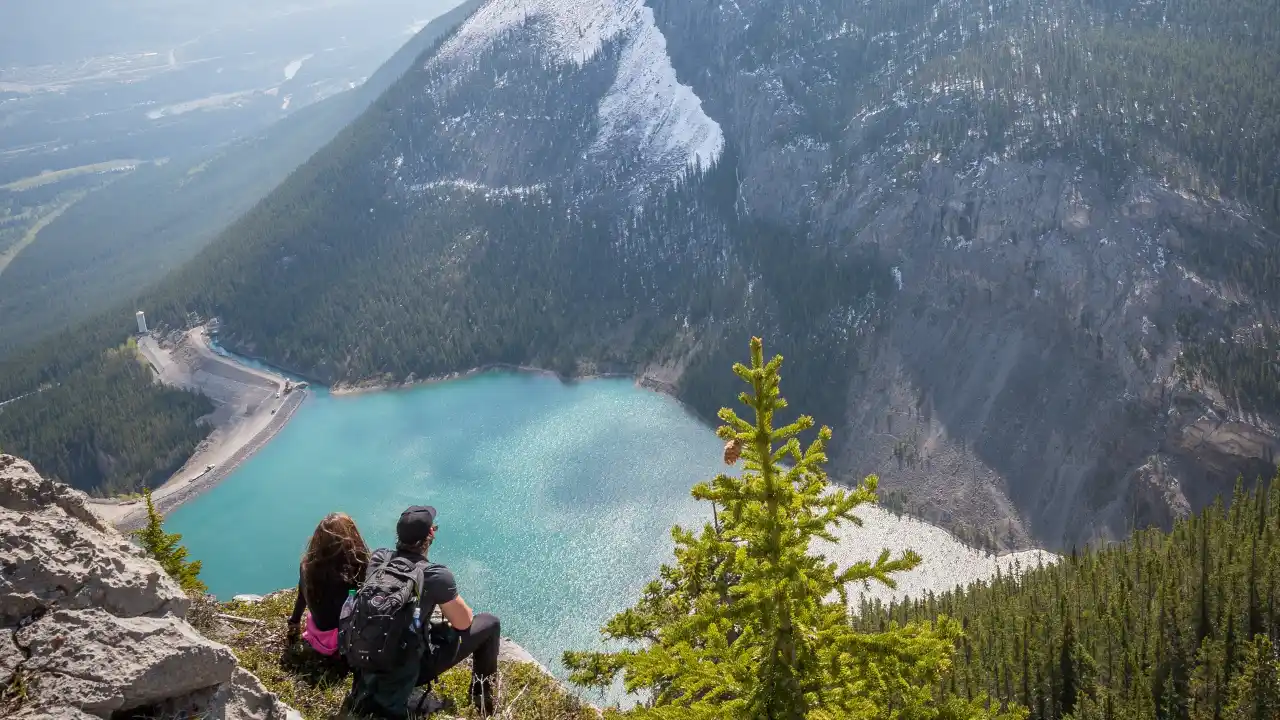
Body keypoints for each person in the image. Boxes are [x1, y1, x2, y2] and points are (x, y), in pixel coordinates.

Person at [345, 505, 501, 718]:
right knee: (490, 623)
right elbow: (463, 623)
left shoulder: (379, 559)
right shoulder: (437, 575)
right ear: (431, 534)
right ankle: (482, 700)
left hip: (366, 660)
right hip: (409, 669)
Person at [287, 512, 370, 660]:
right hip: (344, 639)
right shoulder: (356, 569)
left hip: (318, 634)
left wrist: (294, 621)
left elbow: (302, 595)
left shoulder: (307, 566)